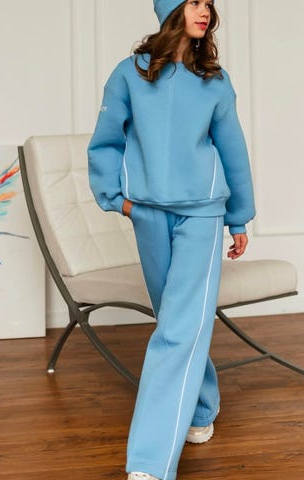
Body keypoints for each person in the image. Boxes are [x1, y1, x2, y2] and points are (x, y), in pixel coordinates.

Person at [88, 1, 255, 478]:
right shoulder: (130, 73)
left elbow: (233, 149)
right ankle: (200, 408)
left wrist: (238, 219)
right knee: (176, 321)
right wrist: (119, 201)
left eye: (209, 4)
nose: (205, 11)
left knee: (177, 330)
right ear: (171, 9)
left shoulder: (214, 81)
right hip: (148, 214)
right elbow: (105, 140)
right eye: (195, 2)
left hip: (203, 214)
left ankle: (150, 461)